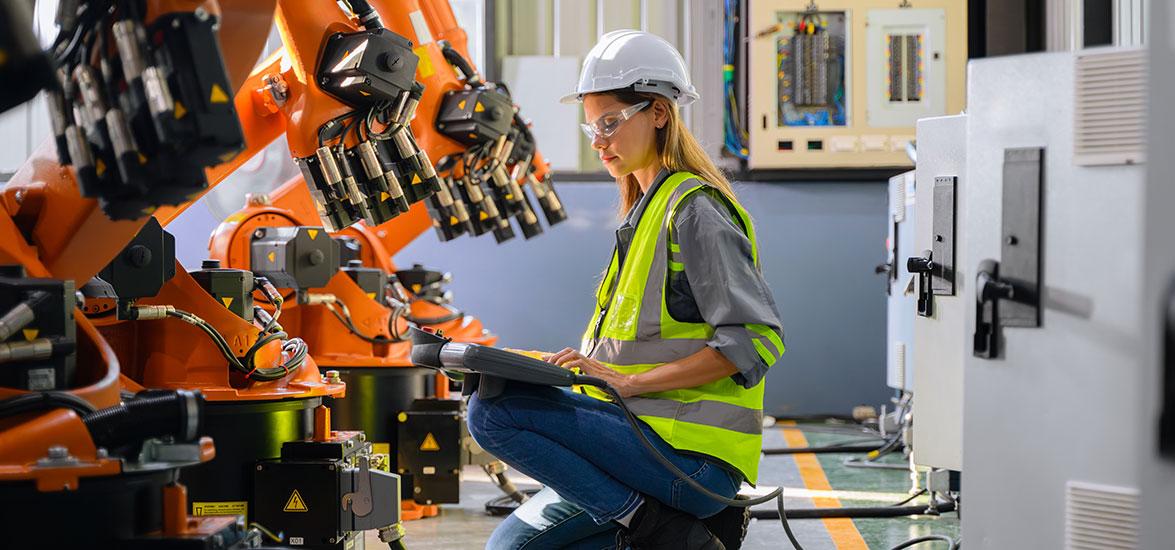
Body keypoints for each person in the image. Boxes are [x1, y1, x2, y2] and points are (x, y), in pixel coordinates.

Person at [466, 29, 785, 550]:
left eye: (611, 123)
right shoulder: (643, 213)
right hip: (639, 434)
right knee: (509, 547)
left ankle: (657, 526)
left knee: (493, 413)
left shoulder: (694, 211)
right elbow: (629, 350)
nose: (599, 141)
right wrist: (557, 369)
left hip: (693, 458)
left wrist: (632, 384)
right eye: (592, 127)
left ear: (659, 112)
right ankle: (676, 536)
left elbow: (755, 341)